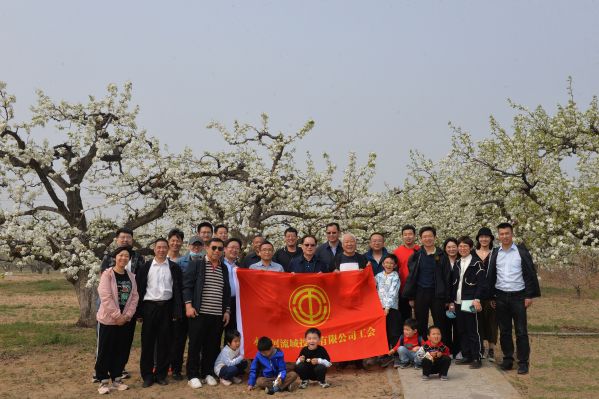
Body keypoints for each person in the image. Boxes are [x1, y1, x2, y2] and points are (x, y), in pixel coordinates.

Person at [487, 222, 541, 375]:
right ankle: (508, 359)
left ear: (512, 234)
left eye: (507, 233)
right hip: (501, 296)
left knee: (521, 331)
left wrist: (529, 295)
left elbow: (530, 274)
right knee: (504, 331)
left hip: (519, 296)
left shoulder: (521, 251)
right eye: (501, 234)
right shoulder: (495, 252)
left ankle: (523, 362)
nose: (504, 236)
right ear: (498, 236)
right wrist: (492, 296)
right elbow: (491, 276)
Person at [96, 227, 145, 382]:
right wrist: (117, 315)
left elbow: (137, 290)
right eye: (122, 237)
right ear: (117, 240)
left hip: (127, 311)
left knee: (123, 345)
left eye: (128, 237)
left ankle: (118, 373)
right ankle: (101, 374)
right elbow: (105, 292)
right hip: (109, 311)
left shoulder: (137, 262)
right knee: (105, 344)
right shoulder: (108, 266)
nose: (125, 239)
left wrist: (129, 314)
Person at [135, 238, 183, 388]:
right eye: (159, 247)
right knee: (148, 342)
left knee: (165, 342)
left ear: (168, 249)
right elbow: (139, 289)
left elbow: (178, 290)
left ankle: (161, 374)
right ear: (154, 249)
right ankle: (147, 375)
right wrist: (139, 312)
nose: (162, 250)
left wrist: (177, 310)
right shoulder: (145, 267)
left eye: (164, 247)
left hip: (167, 307)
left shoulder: (174, 267)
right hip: (149, 307)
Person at [184, 238, 231, 388]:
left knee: (212, 345)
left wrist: (227, 311)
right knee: (195, 345)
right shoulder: (197, 264)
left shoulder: (224, 268)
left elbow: (227, 291)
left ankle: (208, 373)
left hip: (217, 314)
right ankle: (192, 375)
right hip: (199, 313)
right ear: (206, 248)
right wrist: (188, 306)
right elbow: (187, 286)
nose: (217, 251)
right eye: (214, 248)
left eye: (220, 249)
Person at [402, 226, 451, 347]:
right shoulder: (416, 255)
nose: (427, 239)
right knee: (420, 322)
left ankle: (442, 348)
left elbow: (447, 278)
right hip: (420, 293)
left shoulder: (442, 255)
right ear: (420, 239)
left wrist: (447, 298)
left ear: (435, 237)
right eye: (424, 237)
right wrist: (411, 297)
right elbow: (412, 277)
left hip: (437, 293)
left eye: (430, 236)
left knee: (440, 321)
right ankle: (423, 347)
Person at [449, 236, 487, 369]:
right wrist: (452, 301)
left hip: (470, 301)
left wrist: (477, 299)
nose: (462, 248)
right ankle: (467, 355)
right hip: (458, 301)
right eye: (460, 246)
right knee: (462, 329)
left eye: (465, 246)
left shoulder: (477, 263)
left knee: (473, 329)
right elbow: (454, 284)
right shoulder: (458, 263)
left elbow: (482, 284)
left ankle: (477, 357)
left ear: (470, 248)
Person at [166, 228, 187, 380]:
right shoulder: (159, 259)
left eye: (178, 240)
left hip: (179, 304)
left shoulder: (184, 261)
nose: (175, 243)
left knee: (179, 337)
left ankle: (176, 368)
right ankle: (161, 364)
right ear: (168, 241)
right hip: (162, 303)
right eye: (173, 240)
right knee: (162, 337)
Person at [476, 227, 498, 362]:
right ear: (478, 239)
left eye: (487, 237)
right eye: (481, 237)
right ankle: (482, 348)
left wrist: (496, 295)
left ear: (491, 238)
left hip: (492, 295)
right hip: (477, 295)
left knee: (492, 322)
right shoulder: (473, 253)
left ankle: (491, 349)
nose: (484, 239)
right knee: (479, 322)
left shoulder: (496, 253)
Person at [393, 225, 420, 323]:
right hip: (403, 289)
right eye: (405, 235)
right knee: (404, 317)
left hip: (418, 289)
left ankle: (420, 336)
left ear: (414, 236)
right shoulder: (397, 252)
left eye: (410, 234)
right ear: (402, 236)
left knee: (420, 317)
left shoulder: (420, 250)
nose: (408, 237)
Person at [375, 254, 401, 351]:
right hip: (379, 308)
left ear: (394, 265)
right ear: (383, 264)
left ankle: (395, 353)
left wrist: (387, 307)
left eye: (391, 263)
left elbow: (393, 292)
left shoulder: (395, 276)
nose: (388, 265)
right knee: (382, 331)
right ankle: (383, 353)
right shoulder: (378, 276)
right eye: (386, 263)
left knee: (393, 331)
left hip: (392, 308)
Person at [443, 237, 460, 358]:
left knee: (459, 326)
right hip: (445, 299)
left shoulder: (462, 260)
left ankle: (458, 350)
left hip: (459, 299)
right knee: (446, 326)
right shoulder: (442, 261)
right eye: (449, 247)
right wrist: (448, 300)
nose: (451, 249)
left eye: (454, 246)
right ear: (445, 249)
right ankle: (448, 350)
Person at [223, 238, 242, 334]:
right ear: (225, 249)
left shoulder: (239, 266)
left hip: (235, 302)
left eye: (237, 248)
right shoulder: (219, 263)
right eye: (232, 247)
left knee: (231, 332)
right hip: (221, 302)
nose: (234, 250)